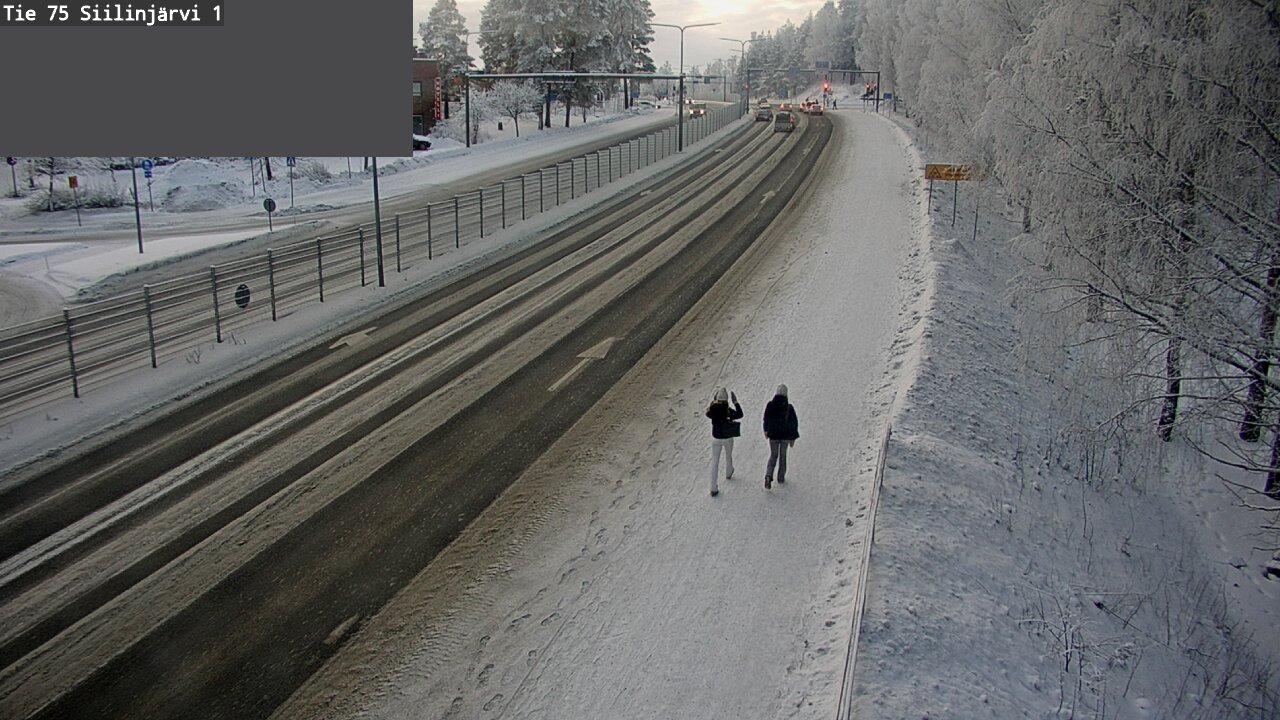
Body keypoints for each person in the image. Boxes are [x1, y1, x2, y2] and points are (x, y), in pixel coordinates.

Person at [705, 387, 744, 497]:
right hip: (727, 437)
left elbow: (707, 412)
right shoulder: (728, 411)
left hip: (716, 438)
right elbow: (740, 414)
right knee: (728, 455)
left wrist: (713, 402)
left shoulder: (712, 410)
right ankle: (729, 472)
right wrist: (735, 402)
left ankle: (713, 487)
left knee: (715, 462)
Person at [762, 384, 799, 489]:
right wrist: (793, 438)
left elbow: (766, 418)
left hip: (773, 436)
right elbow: (794, 423)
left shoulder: (770, 405)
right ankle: (781, 477)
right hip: (785, 437)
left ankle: (768, 475)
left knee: (773, 455)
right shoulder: (789, 407)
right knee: (783, 456)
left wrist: (766, 430)